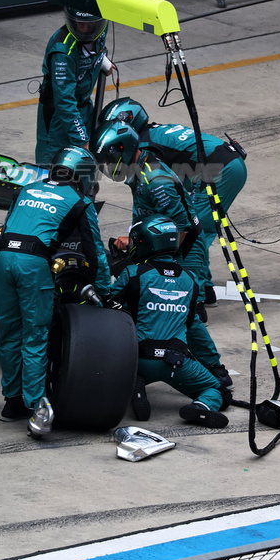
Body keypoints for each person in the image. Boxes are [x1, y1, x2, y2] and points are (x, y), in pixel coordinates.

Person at [92, 121, 228, 386]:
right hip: (158, 244)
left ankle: (213, 368)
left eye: (110, 161)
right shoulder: (138, 169)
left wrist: (156, 259)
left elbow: (182, 229)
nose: (109, 169)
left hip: (180, 249)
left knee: (186, 313)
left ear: (124, 150)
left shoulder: (156, 182)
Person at [0, 146, 110, 438]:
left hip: (2, 259)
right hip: (33, 264)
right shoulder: (79, 202)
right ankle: (35, 405)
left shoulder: (27, 189)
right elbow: (95, 252)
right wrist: (105, 290)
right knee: (35, 334)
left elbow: (7, 226)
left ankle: (12, 402)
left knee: (9, 331)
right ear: (82, 174)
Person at [99, 97, 247, 307]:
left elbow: (160, 196)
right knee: (187, 222)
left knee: (191, 228)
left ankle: (196, 289)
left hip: (221, 169)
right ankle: (204, 287)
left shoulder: (142, 146)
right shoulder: (150, 133)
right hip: (221, 163)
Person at [105, 215, 230, 428]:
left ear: (145, 243)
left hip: (137, 358)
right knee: (218, 391)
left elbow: (107, 308)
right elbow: (194, 327)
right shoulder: (190, 279)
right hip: (175, 362)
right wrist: (214, 365)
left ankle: (134, 382)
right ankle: (201, 406)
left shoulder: (133, 273)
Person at [34, 9, 115, 166]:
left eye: (89, 24)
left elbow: (97, 44)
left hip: (85, 108)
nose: (84, 29)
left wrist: (101, 58)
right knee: (53, 168)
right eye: (80, 23)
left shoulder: (102, 27)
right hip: (58, 118)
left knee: (84, 168)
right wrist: (81, 139)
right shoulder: (62, 52)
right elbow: (64, 101)